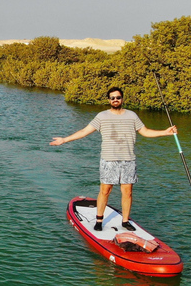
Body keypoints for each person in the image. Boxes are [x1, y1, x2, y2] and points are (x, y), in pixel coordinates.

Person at [50, 87, 177, 231]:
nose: (115, 100)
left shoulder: (132, 116)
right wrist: (64, 140)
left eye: (118, 97)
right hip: (109, 160)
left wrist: (166, 132)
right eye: (112, 98)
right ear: (109, 100)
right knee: (105, 191)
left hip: (128, 160)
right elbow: (85, 131)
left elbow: (146, 132)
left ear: (122, 99)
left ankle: (125, 221)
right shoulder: (102, 116)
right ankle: (99, 220)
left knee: (127, 192)